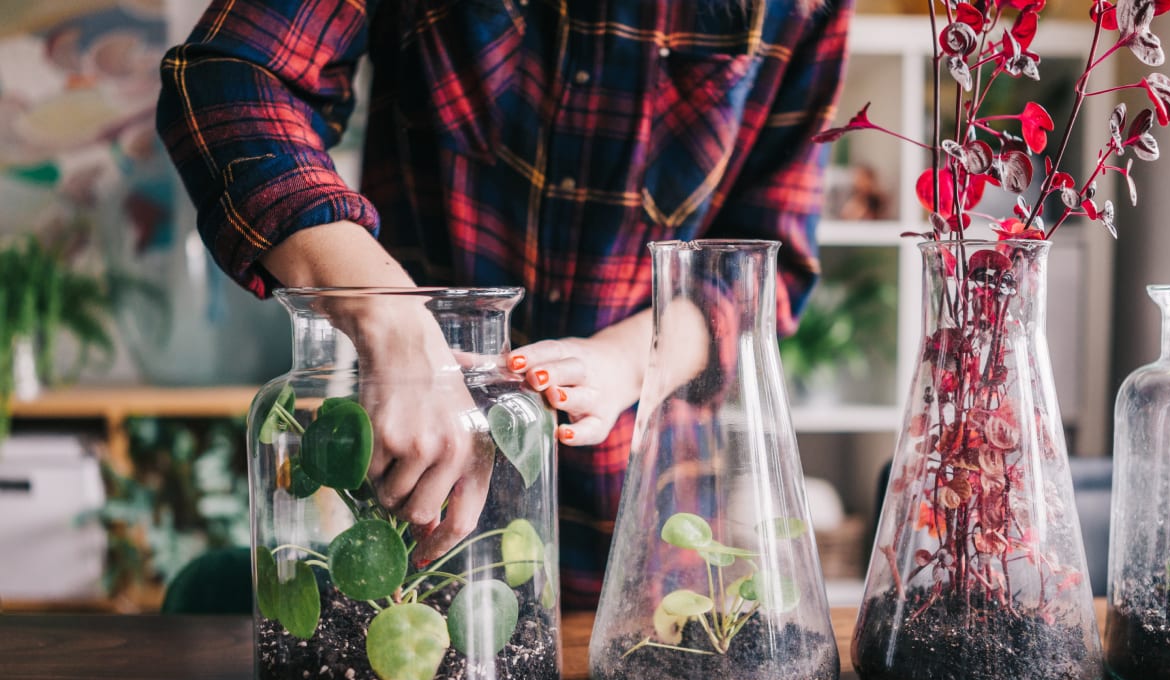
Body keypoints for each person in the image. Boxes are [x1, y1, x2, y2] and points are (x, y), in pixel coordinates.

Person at [156, 0, 852, 609]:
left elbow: (767, 270)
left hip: (643, 527)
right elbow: (228, 76)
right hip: (421, 486)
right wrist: (393, 320)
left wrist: (621, 364)